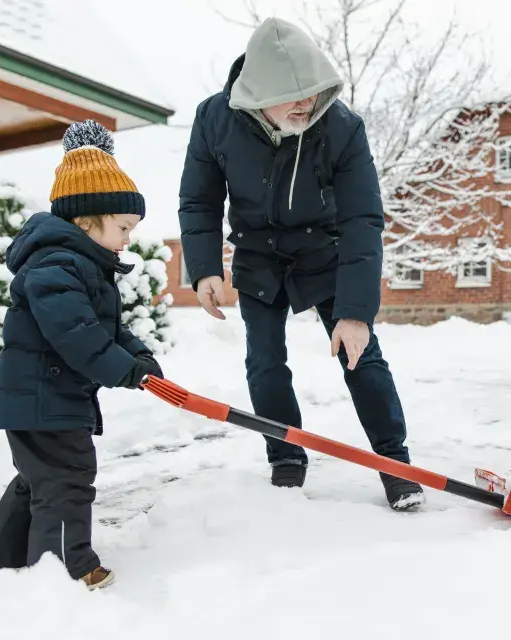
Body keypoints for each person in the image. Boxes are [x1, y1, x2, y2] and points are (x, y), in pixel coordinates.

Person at [177, 17, 424, 511]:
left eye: (312, 93)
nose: (305, 104)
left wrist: (354, 313)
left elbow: (362, 219)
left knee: (361, 355)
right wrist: (204, 268)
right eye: (293, 95)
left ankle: (395, 462)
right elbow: (199, 200)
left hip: (325, 250)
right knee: (265, 363)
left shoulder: (341, 127)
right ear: (259, 91)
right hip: (256, 253)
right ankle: (285, 454)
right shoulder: (214, 120)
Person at [0, 120, 163, 590]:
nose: (128, 238)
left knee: (40, 478)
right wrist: (126, 372)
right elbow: (77, 337)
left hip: (44, 398)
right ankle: (63, 569)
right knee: (66, 479)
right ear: (85, 221)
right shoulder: (57, 265)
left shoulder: (82, 265)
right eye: (123, 227)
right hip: (44, 399)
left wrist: (141, 359)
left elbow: (108, 330)